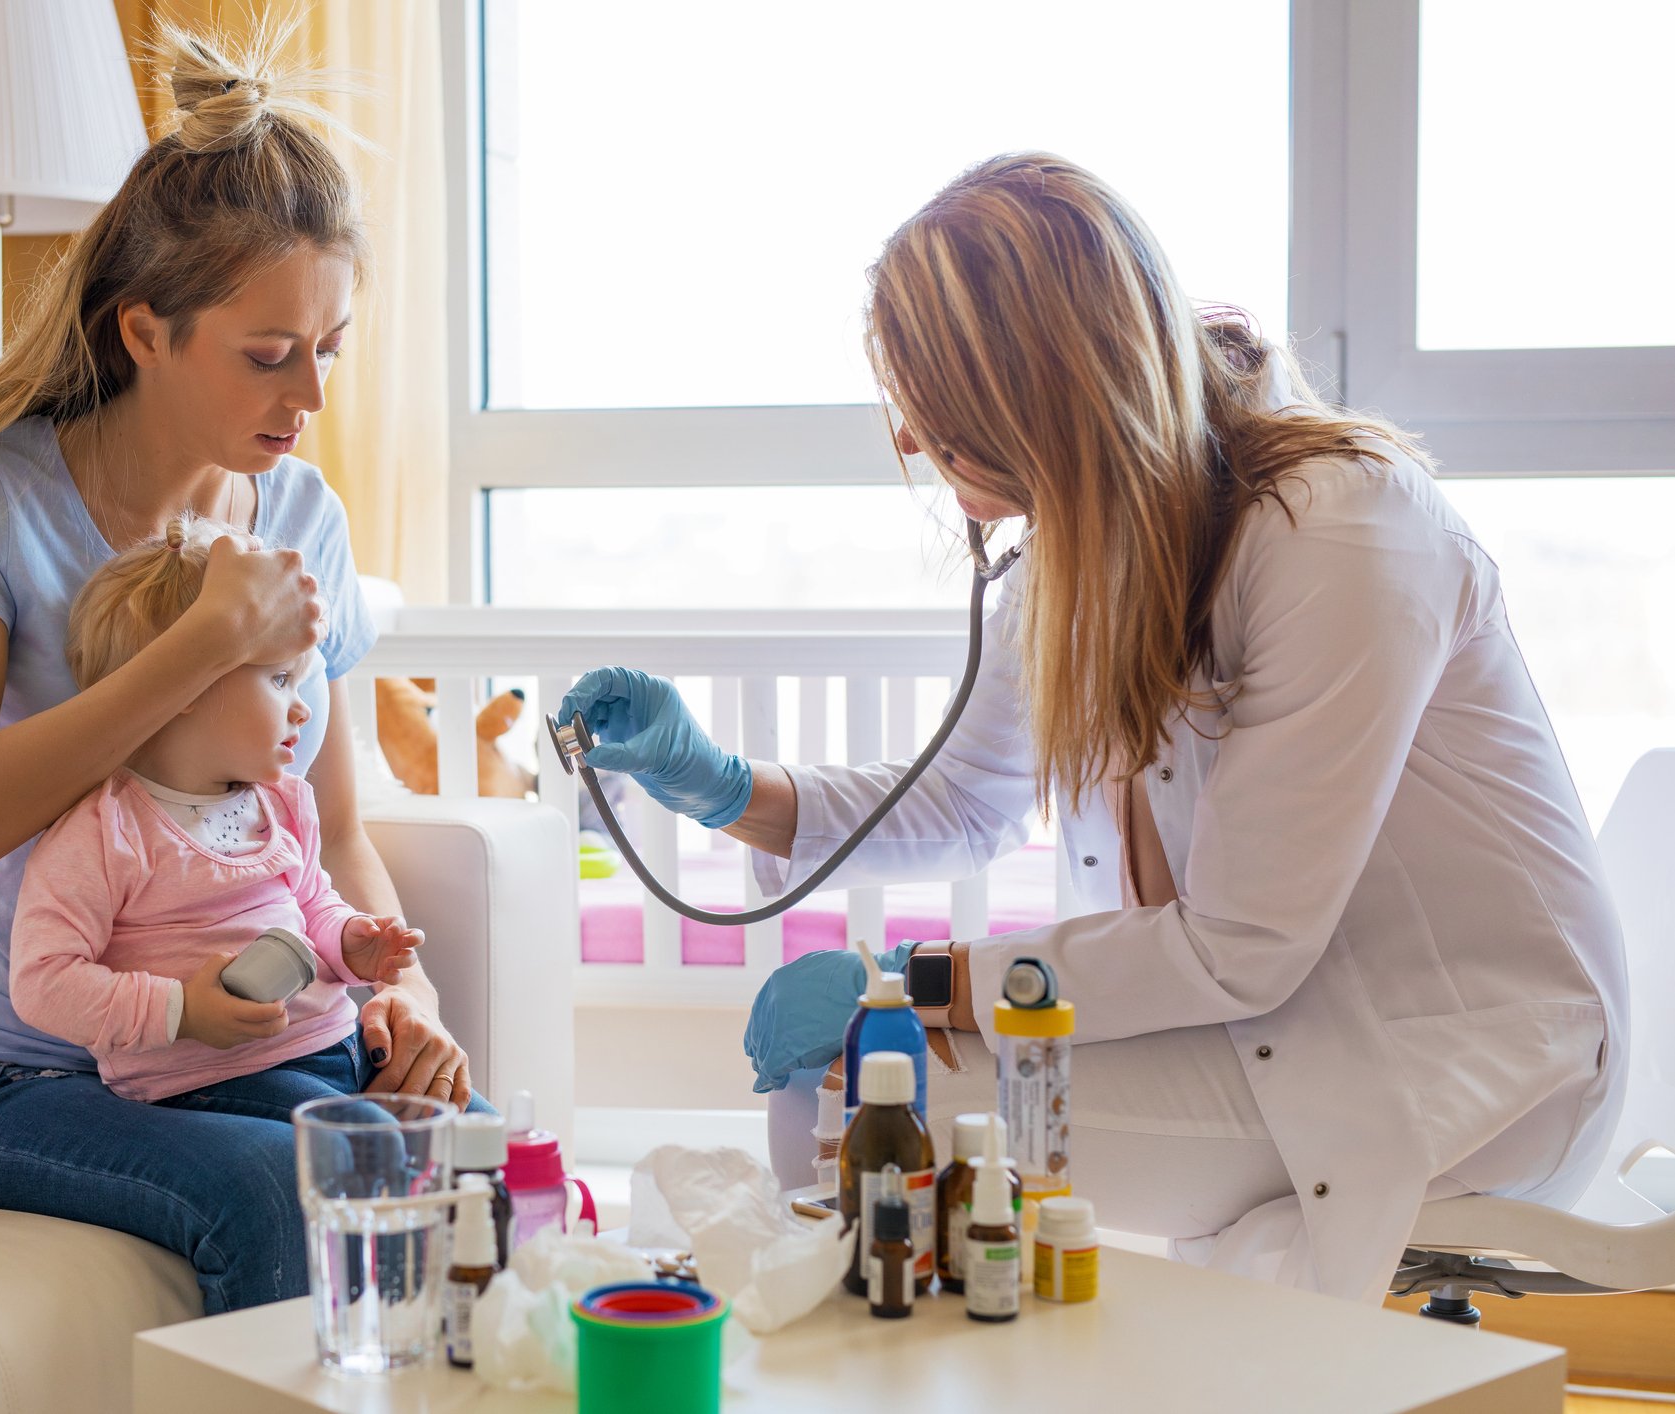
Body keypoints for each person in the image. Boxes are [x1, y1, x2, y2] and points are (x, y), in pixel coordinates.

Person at [559, 152, 1627, 1303]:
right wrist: (719, 784)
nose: (912, 442)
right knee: (857, 1089)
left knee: (861, 1090)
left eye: (932, 403)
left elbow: (1242, 942)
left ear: (1037, 398)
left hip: (1457, 1057)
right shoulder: (1086, 547)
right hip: (1264, 1021)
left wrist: (907, 981)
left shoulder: (1341, 532)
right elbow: (965, 801)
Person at [0, 25, 476, 1312]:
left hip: (243, 1052)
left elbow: (336, 829)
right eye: (267, 351)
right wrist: (204, 643)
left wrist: (403, 995)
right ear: (145, 329)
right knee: (266, 1193)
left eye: (330, 347)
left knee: (464, 1159)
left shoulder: (302, 515)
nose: (308, 392)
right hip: (24, 1075)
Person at [9, 514, 424, 1104]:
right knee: (369, 1153)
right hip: (210, 1084)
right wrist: (180, 1011)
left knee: (474, 1137)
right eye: (280, 680)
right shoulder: (106, 832)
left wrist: (348, 943)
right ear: (186, 685)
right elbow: (42, 982)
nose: (302, 710)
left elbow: (310, 905)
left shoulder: (283, 802)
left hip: (335, 1050)